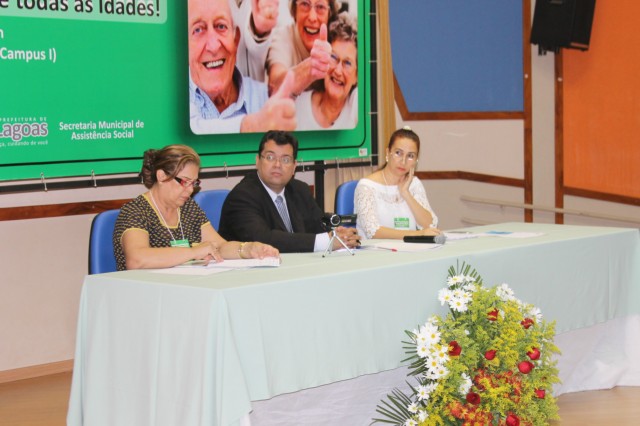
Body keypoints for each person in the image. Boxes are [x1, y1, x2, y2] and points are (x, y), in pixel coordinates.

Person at [113, 144, 279, 270]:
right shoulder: (135, 211)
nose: (191, 190)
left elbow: (219, 247)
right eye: (185, 182)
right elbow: (136, 259)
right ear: (162, 176)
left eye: (194, 183)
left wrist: (247, 249)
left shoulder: (188, 208)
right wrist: (193, 252)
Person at [218, 130, 361, 252]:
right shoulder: (242, 196)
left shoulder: (300, 190)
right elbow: (263, 239)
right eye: (270, 157)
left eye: (285, 160)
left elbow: (318, 229)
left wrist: (337, 235)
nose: (277, 165)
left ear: (294, 167)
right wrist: (326, 241)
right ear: (257, 161)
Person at [188, 0, 297, 134]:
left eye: (221, 26)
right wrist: (253, 126)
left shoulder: (264, 99)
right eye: (198, 30)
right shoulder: (175, 95)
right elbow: (187, 134)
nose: (213, 46)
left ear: (235, 39)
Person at [354, 127, 440, 239]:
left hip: (410, 251)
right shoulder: (366, 187)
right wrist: (418, 234)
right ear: (388, 153)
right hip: (377, 253)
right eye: (398, 153)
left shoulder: (414, 184)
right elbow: (373, 232)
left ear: (416, 160)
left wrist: (406, 193)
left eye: (410, 156)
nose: (403, 161)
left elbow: (431, 225)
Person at [295, 12, 357, 130]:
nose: (338, 71)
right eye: (333, 57)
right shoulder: (299, 106)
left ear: (357, 76)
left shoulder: (355, 107)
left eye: (347, 63)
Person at [265, 0, 339, 96]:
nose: (312, 17)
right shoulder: (282, 38)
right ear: (295, 10)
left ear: (330, 14)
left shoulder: (335, 39)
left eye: (320, 7)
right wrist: (311, 67)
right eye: (304, 4)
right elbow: (274, 86)